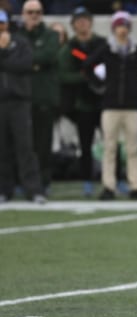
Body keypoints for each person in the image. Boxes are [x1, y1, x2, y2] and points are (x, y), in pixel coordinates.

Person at [84, 10, 137, 200]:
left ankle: (136, 185)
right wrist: (100, 87)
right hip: (110, 106)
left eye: (124, 26)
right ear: (114, 28)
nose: (122, 30)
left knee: (133, 148)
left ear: (129, 28)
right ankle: (109, 186)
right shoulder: (106, 49)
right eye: (118, 26)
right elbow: (87, 66)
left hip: (132, 106)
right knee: (109, 148)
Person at [57, 6, 107, 198]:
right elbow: (63, 75)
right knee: (85, 146)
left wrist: (101, 79)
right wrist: (85, 77)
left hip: (103, 102)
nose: (82, 23)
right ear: (73, 25)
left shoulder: (102, 44)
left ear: (91, 22)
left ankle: (116, 179)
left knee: (111, 145)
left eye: (85, 20)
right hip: (82, 104)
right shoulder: (70, 48)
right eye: (78, 21)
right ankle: (87, 181)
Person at [0, 9, 45, 203]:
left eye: (2, 23)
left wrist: (5, 53)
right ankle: (4, 189)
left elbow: (26, 64)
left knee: (25, 146)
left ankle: (33, 190)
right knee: (2, 148)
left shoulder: (20, 42)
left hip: (19, 101)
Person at [16, 0, 60, 192]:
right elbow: (10, 59)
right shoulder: (16, 35)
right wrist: (31, 62)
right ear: (23, 13)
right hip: (19, 98)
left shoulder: (50, 35)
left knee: (43, 143)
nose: (34, 15)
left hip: (43, 96)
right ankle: (21, 181)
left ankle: (44, 181)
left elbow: (49, 56)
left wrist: (25, 61)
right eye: (30, 11)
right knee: (21, 144)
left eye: (38, 11)